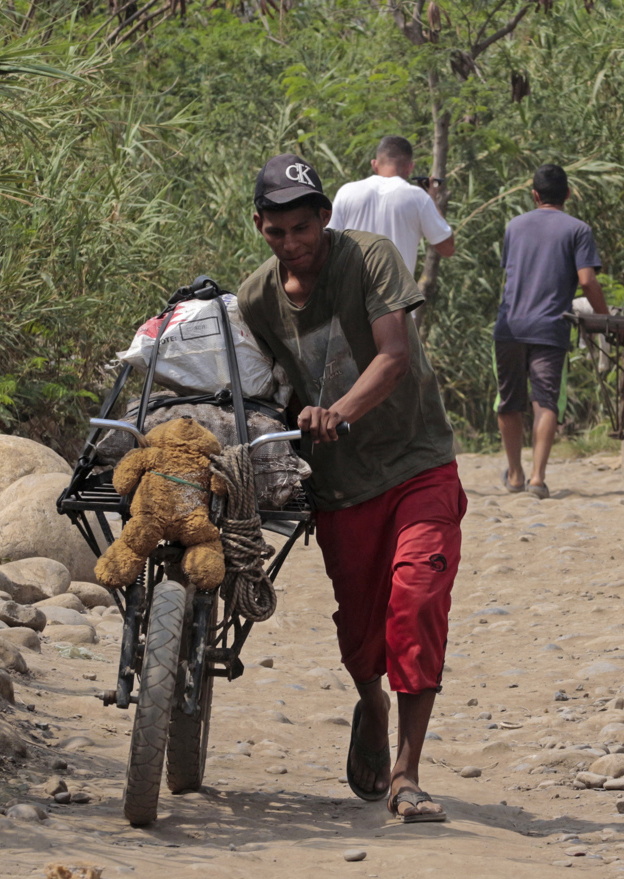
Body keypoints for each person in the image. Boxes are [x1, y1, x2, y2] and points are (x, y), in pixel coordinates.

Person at [237, 153, 466, 824]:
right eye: (277, 233)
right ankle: (371, 702)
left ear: (324, 219)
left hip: (418, 462)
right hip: (340, 488)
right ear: (260, 227)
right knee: (361, 635)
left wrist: (338, 411)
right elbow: (258, 388)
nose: (292, 245)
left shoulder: (368, 259)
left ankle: (407, 774)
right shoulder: (256, 298)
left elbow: (394, 357)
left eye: (302, 230)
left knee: (417, 601)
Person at [494, 163, 608, 498]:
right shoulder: (578, 229)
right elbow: (587, 280)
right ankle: (537, 480)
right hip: (550, 328)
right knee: (545, 402)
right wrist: (604, 318)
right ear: (568, 194)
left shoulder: (515, 226)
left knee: (509, 403)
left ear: (534, 195)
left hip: (510, 327)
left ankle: (514, 474)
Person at [327, 135, 455, 275]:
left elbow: (328, 246)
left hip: (352, 293)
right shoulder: (419, 198)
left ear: (374, 164)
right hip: (396, 294)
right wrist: (432, 199)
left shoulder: (347, 192)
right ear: (409, 168)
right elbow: (447, 248)